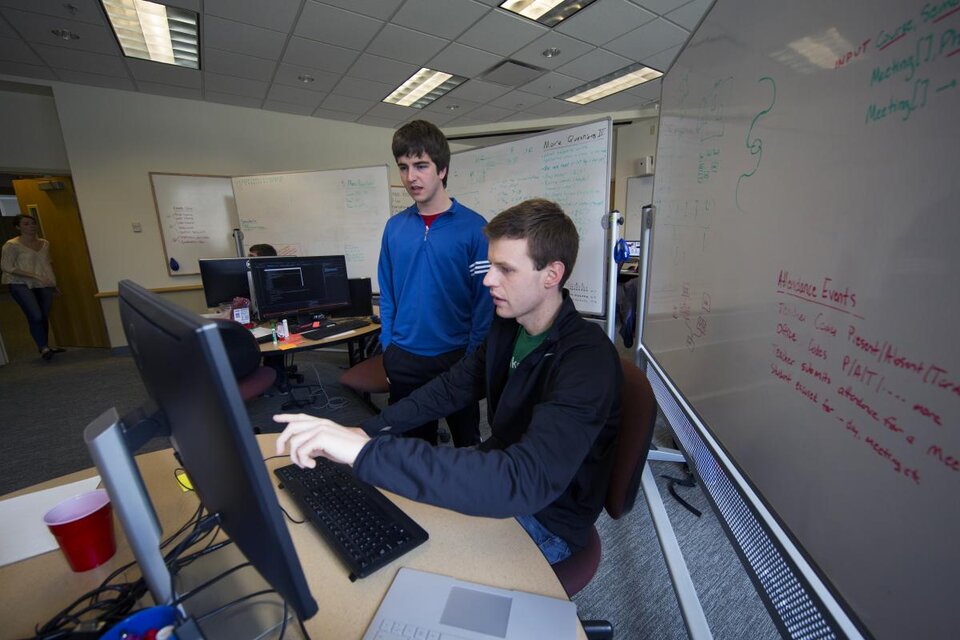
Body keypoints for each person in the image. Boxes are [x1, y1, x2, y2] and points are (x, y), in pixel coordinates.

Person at [276, 199, 622, 564]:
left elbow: (522, 481)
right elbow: (451, 387)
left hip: (547, 516)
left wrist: (366, 453)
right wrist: (367, 431)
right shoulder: (508, 326)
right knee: (389, 507)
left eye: (505, 269)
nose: (488, 279)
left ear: (551, 274)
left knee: (411, 561)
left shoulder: (587, 360)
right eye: (491, 265)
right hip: (499, 466)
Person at [377, 119, 493, 447]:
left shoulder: (474, 228)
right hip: (405, 357)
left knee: (467, 445)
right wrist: (389, 349)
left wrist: (472, 359)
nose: (411, 177)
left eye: (421, 165)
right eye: (403, 167)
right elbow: (388, 294)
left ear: (441, 169)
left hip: (456, 357)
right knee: (411, 450)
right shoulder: (394, 228)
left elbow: (483, 305)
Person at [1, 214, 64, 360]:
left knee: (43, 315)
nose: (31, 226)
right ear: (18, 227)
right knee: (35, 315)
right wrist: (34, 276)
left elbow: (46, 264)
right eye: (26, 224)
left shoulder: (44, 243)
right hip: (20, 283)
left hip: (43, 283)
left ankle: (45, 345)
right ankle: (43, 348)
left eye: (33, 223)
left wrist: (54, 284)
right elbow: (6, 266)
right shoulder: (11, 245)